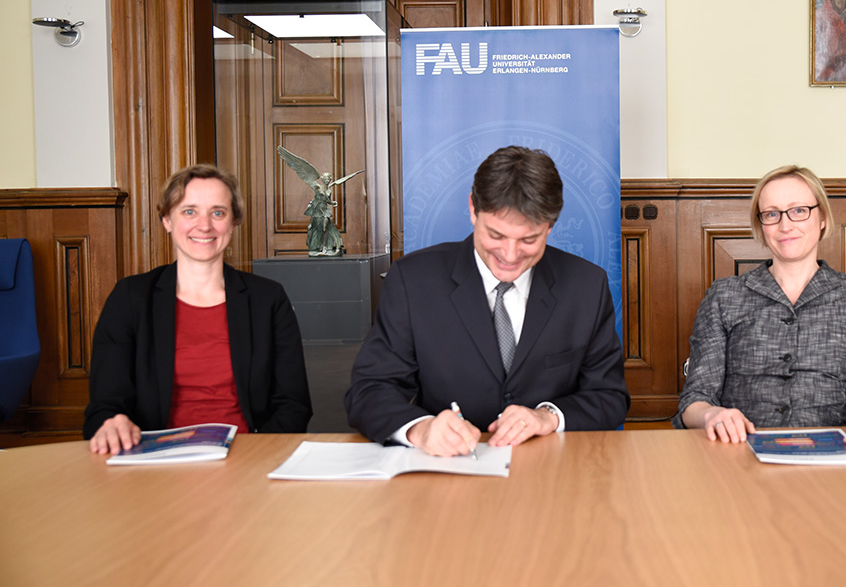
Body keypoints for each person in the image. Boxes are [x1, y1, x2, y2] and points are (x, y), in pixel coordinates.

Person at [345, 145, 629, 456]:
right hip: (447, 472)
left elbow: (609, 396)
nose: (509, 256)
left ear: (551, 225)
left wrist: (547, 416)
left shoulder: (586, 285)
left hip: (552, 469)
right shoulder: (413, 281)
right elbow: (369, 391)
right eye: (496, 235)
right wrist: (420, 428)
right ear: (472, 209)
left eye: (529, 240)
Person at [672, 165, 846, 457]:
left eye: (798, 210)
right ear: (761, 225)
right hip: (738, 454)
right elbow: (695, 401)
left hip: (835, 458)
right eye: (772, 214)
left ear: (822, 217)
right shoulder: (723, 296)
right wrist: (711, 415)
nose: (785, 225)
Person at [84, 165, 312, 453]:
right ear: (167, 219)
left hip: (248, 458)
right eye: (189, 211)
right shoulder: (130, 298)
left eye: (218, 212)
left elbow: (293, 405)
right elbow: (104, 406)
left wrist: (255, 455)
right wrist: (112, 424)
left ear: (233, 222)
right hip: (154, 461)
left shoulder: (268, 298)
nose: (204, 225)